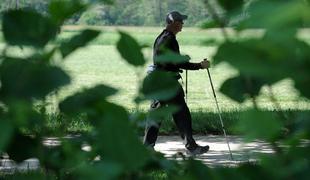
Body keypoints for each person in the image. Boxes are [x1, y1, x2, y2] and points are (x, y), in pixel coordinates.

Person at [143, 11, 210, 155]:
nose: (182, 24)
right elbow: (174, 62)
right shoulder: (169, 39)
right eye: (180, 21)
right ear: (174, 23)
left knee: (158, 115)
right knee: (181, 114)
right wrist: (199, 65)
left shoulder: (163, 37)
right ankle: (192, 147)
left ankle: (147, 148)